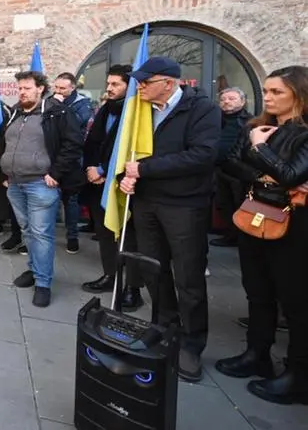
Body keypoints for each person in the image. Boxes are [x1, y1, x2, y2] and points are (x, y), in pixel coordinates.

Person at [118, 56, 222, 382]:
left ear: (168, 82)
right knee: (153, 268)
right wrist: (125, 175)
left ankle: (191, 343)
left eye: (145, 82)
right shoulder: (140, 110)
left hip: (184, 204)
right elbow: (129, 152)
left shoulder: (202, 109)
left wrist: (145, 170)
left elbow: (203, 155)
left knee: (188, 276)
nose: (140, 87)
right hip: (147, 202)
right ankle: (163, 327)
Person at [216, 65, 308, 405]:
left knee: (295, 300)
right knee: (257, 290)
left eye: (276, 92)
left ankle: (299, 375)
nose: (267, 97)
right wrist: (264, 172)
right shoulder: (258, 126)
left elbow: (291, 172)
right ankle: (257, 354)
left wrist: (260, 149)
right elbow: (230, 161)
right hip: (255, 213)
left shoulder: (301, 132)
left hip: (294, 225)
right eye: (266, 91)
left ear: (298, 94)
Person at [0, 71, 84, 308]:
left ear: (40, 89)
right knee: (27, 230)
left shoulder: (57, 112)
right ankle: (34, 271)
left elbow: (73, 144)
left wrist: (56, 173)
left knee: (41, 233)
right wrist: (0, 173)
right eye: (20, 88)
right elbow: (0, 144)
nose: (22, 92)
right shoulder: (13, 114)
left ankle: (43, 284)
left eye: (27, 88)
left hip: (40, 184)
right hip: (14, 183)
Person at [79, 65, 144, 310]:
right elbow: (92, 144)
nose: (109, 88)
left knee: (130, 237)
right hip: (97, 181)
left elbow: (130, 149)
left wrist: (106, 171)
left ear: (130, 86)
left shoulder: (137, 113)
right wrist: (91, 169)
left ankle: (133, 287)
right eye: (108, 83)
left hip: (124, 184)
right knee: (105, 232)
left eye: (116, 84)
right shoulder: (105, 110)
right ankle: (110, 274)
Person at [52, 72, 94, 253]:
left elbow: (74, 124)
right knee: (49, 199)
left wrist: (59, 106)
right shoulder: (51, 101)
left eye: (63, 88)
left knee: (71, 200)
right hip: (53, 157)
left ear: (72, 87)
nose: (59, 91)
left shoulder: (82, 104)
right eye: (57, 87)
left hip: (73, 159)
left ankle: (72, 237)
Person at [210, 87, 252, 247]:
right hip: (216, 168)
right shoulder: (213, 118)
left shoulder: (250, 121)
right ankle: (229, 234)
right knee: (223, 204)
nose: (226, 101)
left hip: (237, 171)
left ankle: (241, 237)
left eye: (232, 98)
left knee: (239, 203)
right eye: (223, 99)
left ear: (242, 101)